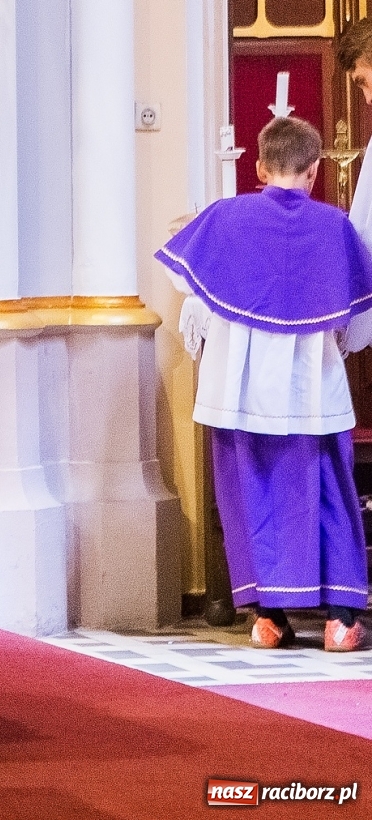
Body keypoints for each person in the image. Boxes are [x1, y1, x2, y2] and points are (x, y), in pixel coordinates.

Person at [158, 116, 372, 651]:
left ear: (258, 167)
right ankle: (340, 620)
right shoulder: (333, 226)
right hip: (312, 386)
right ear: (315, 170)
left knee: (250, 495)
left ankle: (268, 618)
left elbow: (183, 277)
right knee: (328, 491)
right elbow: (358, 312)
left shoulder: (225, 216)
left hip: (239, 387)